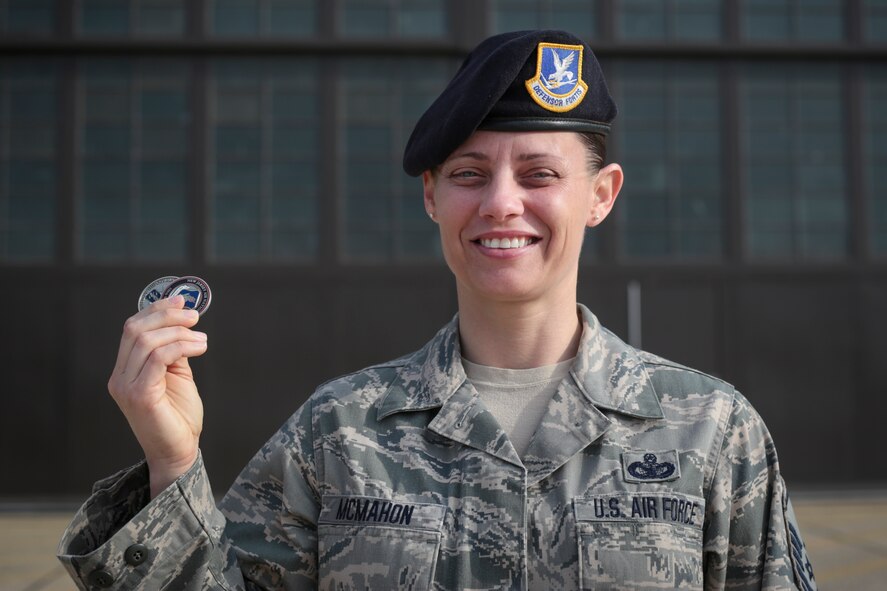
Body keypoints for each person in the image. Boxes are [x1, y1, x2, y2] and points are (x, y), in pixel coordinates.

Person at [58, 30, 816, 590]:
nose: (500, 203)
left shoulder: (712, 430)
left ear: (601, 194)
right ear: (431, 196)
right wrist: (171, 461)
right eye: (468, 173)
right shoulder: (339, 432)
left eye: (539, 172)